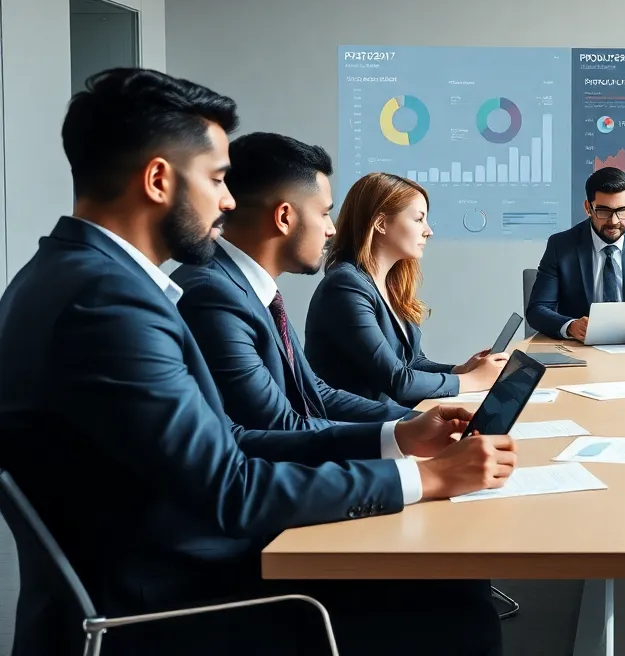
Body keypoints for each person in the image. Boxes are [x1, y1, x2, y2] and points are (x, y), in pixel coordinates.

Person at [0, 68, 515, 656]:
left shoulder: (75, 276)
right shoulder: (107, 304)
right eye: (218, 179)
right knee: (458, 609)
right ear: (158, 179)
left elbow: (234, 440)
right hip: (171, 603)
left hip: (169, 565)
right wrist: (425, 478)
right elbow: (232, 488)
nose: (226, 202)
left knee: (449, 583)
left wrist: (396, 440)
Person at [173, 132, 413, 430]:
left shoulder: (251, 289)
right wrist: (399, 435)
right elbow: (277, 424)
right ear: (284, 217)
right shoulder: (212, 292)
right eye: (324, 213)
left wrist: (414, 421)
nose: (331, 230)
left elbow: (314, 393)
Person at [305, 173, 506, 407]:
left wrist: (460, 369)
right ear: (380, 223)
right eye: (419, 219)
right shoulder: (345, 287)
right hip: (358, 429)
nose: (428, 231)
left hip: (391, 418)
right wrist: (472, 380)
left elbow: (412, 363)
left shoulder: (389, 284)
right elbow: (398, 382)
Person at [525, 167, 625, 342]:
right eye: (603, 211)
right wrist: (571, 326)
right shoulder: (561, 246)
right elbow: (537, 309)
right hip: (580, 350)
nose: (614, 221)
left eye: (622, 210)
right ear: (588, 208)